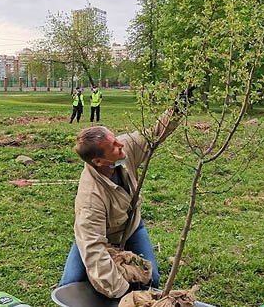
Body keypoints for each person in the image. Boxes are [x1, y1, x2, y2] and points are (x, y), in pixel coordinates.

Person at [59, 108, 181, 298]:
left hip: (131, 227)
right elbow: (93, 248)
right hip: (101, 236)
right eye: (114, 146)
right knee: (71, 286)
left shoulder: (124, 149)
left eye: (116, 139)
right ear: (98, 161)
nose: (121, 144)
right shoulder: (90, 198)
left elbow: (155, 133)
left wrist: (177, 108)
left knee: (152, 279)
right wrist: (124, 294)